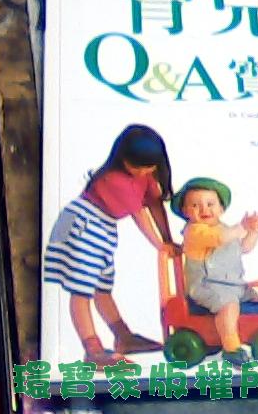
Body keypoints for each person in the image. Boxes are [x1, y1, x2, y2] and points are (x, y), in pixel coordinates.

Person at [44, 124, 180, 368]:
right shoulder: (114, 178)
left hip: (103, 226)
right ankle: (92, 350)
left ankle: (123, 336)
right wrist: (159, 245)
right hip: (82, 224)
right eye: (136, 166)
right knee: (82, 288)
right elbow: (139, 215)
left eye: (148, 167)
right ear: (122, 158)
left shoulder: (145, 177)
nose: (142, 172)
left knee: (102, 286)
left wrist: (168, 239)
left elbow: (154, 205)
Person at [170, 177, 258, 367]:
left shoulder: (224, 228)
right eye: (195, 205)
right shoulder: (195, 231)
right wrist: (243, 226)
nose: (204, 209)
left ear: (221, 209)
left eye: (210, 204)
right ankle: (231, 347)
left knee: (254, 299)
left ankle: (251, 335)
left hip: (232, 284)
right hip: (206, 286)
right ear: (185, 211)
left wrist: (254, 231)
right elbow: (220, 238)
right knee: (228, 305)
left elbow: (244, 247)